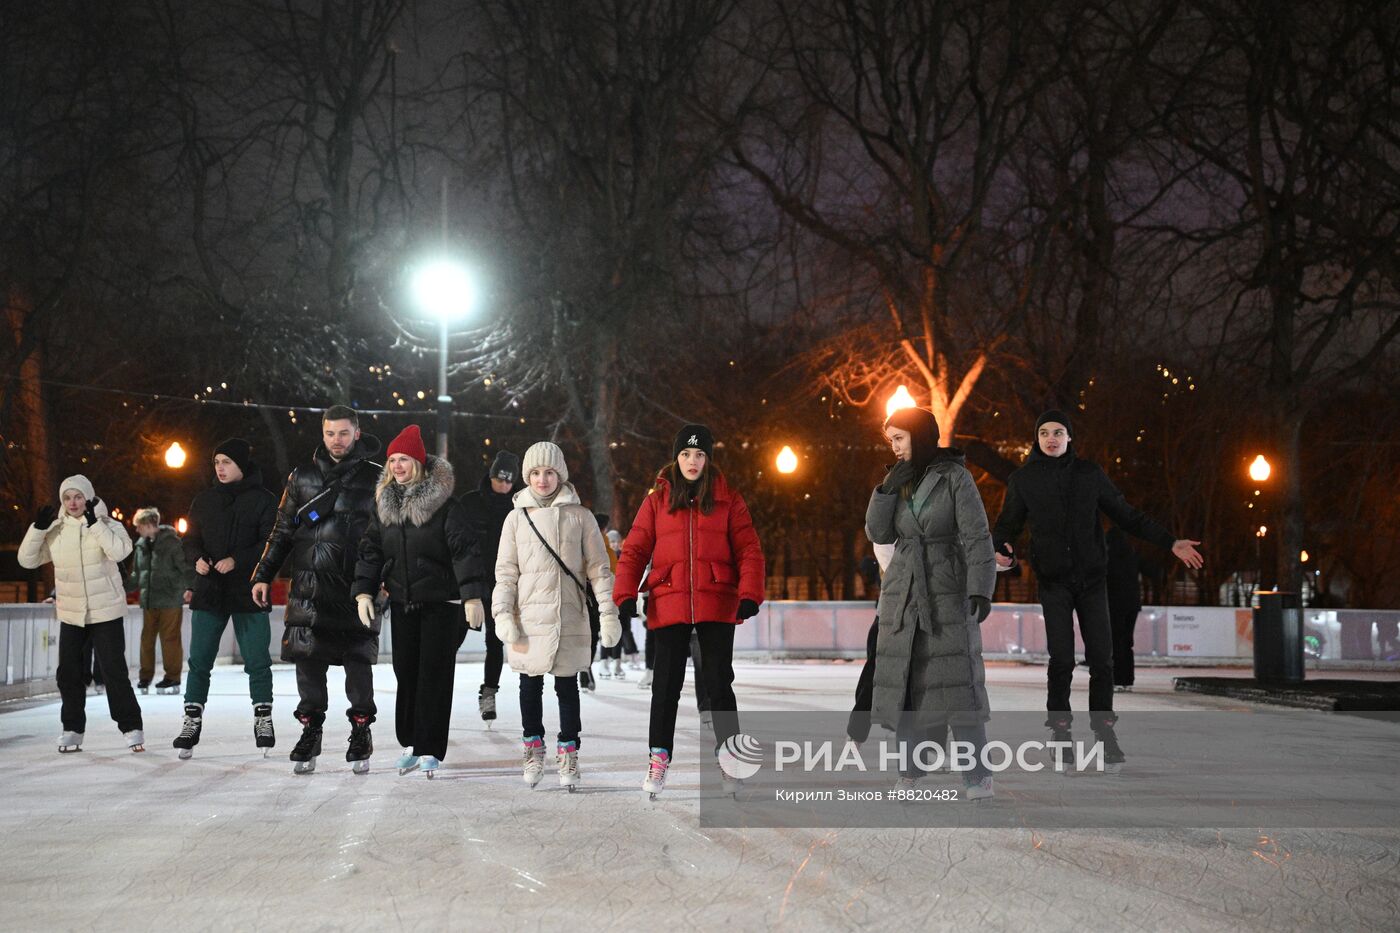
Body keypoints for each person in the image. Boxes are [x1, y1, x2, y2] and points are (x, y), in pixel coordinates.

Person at [991, 410, 1203, 761]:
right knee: (1061, 660)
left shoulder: (1089, 475)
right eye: (1044, 433)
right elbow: (1006, 526)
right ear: (1037, 439)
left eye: (1058, 432)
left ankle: (1104, 734)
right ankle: (1060, 733)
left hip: (1091, 581)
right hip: (1054, 581)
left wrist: (1170, 542)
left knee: (1103, 661)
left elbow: (1127, 515)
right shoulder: (1023, 479)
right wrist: (1003, 550)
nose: (1051, 438)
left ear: (1070, 437)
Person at [613, 424, 765, 799]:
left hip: (716, 600)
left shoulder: (729, 499)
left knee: (718, 684)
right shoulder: (656, 501)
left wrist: (750, 593)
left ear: (708, 459)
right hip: (668, 599)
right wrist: (625, 594)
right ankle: (658, 756)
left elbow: (749, 549)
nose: (692, 462)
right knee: (665, 686)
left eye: (699, 455)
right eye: (685, 454)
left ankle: (730, 758)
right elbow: (634, 550)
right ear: (675, 458)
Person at [865, 407, 997, 799]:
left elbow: (976, 535)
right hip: (904, 590)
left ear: (920, 436)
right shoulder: (897, 479)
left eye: (901, 438)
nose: (895, 446)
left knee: (959, 686)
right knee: (907, 684)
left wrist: (980, 588)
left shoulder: (955, 476)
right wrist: (888, 489)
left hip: (946, 587)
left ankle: (977, 776)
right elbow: (878, 531)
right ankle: (910, 773)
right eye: (891, 439)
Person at [252, 406, 383, 775]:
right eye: (330, 434)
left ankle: (361, 732)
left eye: (343, 433)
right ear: (322, 434)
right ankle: (311, 731)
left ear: (356, 433)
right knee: (308, 662)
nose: (336, 440)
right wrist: (263, 574)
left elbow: (388, 536)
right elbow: (282, 531)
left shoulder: (377, 478)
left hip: (355, 588)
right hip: (308, 587)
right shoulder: (302, 477)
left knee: (358, 664)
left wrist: (381, 583)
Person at [354, 425, 484, 778]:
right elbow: (370, 550)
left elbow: (465, 551)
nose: (397, 465)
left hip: (441, 603)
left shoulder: (445, 504)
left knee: (434, 675)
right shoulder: (384, 504)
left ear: (420, 462)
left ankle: (430, 746)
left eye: (404, 459)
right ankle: (411, 741)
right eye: (393, 459)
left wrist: (471, 596)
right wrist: (363, 590)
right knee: (406, 672)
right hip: (403, 601)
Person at [493, 441, 620, 791]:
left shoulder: (580, 517)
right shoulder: (515, 519)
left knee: (567, 688)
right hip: (529, 619)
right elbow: (506, 573)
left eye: (549, 472)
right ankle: (532, 747)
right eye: (535, 473)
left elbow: (599, 569)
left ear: (560, 474)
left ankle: (569, 750)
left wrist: (608, 613)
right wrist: (502, 613)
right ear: (527, 477)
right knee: (529, 686)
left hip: (569, 617)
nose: (542, 479)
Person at [19, 475, 144, 754]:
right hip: (72, 613)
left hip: (106, 611)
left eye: (78, 497)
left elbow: (121, 550)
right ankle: (72, 728)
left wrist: (95, 524)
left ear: (87, 497)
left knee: (113, 671)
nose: (72, 503)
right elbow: (27, 560)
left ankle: (131, 726)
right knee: (69, 673)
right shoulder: (56, 529)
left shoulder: (109, 525)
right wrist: (38, 529)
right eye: (67, 498)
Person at [175, 439, 278, 759]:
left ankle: (263, 718)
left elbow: (271, 542)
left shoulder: (264, 500)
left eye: (227, 462)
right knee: (199, 660)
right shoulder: (204, 500)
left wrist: (239, 560)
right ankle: (192, 719)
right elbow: (190, 539)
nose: (220, 467)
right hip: (210, 590)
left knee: (257, 660)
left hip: (248, 590)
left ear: (242, 465)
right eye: (217, 462)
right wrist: (197, 559)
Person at [459, 450, 524, 726]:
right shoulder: (471, 503)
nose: (504, 486)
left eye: (509, 482)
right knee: (453, 637)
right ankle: (435, 690)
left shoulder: (520, 506)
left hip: (506, 583)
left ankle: (489, 692)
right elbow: (458, 543)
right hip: (473, 580)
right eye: (499, 480)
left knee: (496, 641)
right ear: (491, 476)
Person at [128, 508, 191, 695]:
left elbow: (184, 567)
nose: (137, 531)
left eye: (139, 527)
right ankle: (145, 676)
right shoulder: (141, 546)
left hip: (170, 598)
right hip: (149, 599)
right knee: (146, 639)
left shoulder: (172, 543)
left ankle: (172, 676)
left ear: (149, 525)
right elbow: (136, 574)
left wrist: (189, 588)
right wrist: (120, 588)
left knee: (170, 639)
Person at [595, 513, 639, 679]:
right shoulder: (603, 553)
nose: (613, 544)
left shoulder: (622, 556)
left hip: (620, 596)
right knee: (607, 631)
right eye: (610, 541)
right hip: (607, 596)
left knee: (620, 630)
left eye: (616, 541)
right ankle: (604, 662)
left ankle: (617, 662)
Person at [1105, 526, 1143, 692]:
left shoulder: (1108, 557)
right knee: (1127, 642)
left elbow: (1104, 580)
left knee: (1116, 641)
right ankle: (1128, 680)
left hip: (1115, 605)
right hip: (1132, 605)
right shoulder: (1132, 556)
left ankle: (1117, 678)